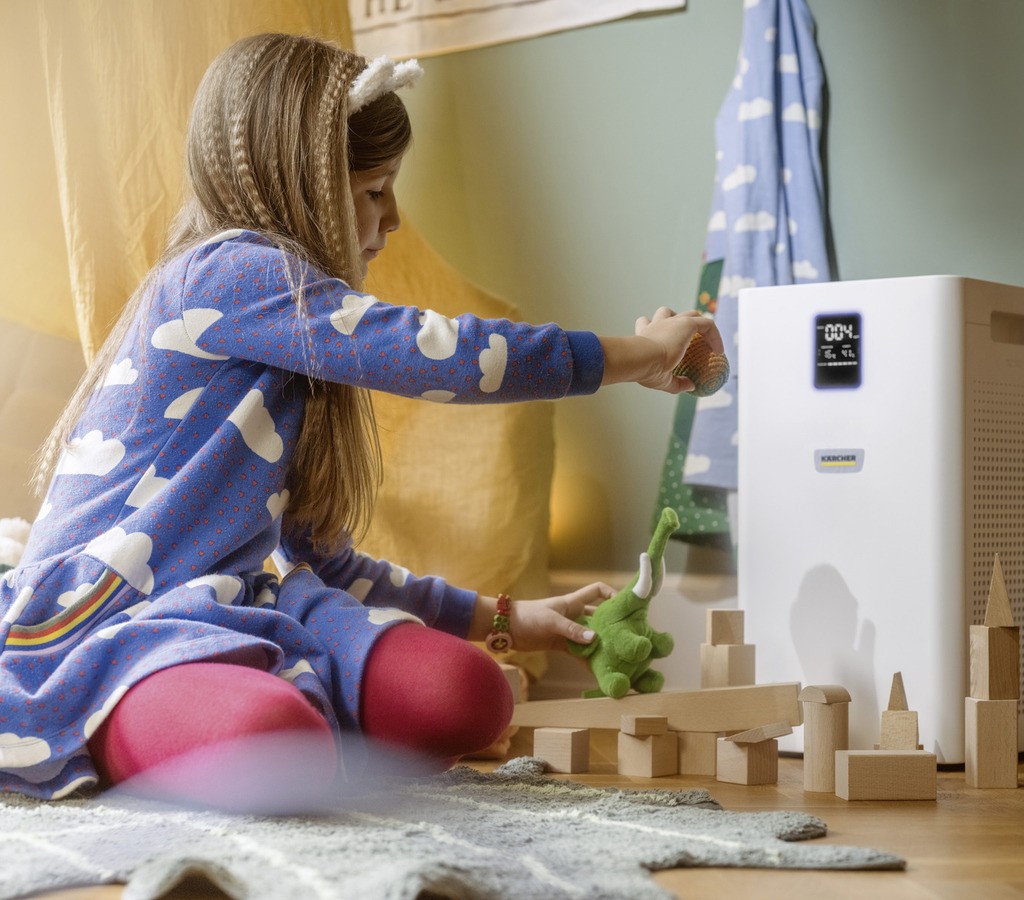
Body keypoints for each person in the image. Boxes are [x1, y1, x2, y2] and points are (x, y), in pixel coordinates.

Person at [0, 33, 723, 810]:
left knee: (471, 695)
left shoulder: (293, 339)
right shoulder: (225, 273)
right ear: (305, 186)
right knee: (275, 741)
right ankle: (132, 718)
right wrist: (639, 354)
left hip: (246, 603)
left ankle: (269, 713)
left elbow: (323, 559)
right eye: (375, 190)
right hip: (118, 618)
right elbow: (451, 358)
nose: (394, 218)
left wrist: (510, 620)